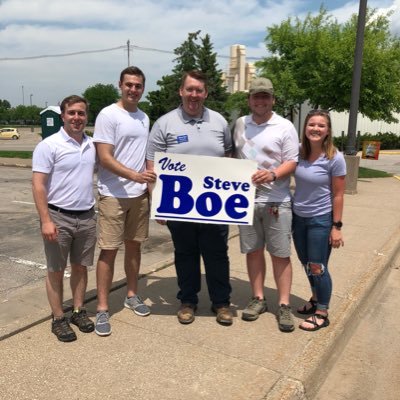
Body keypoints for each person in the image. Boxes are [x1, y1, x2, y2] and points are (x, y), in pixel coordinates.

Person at [146, 70, 233, 326]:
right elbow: (152, 165)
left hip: (213, 205)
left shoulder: (219, 122)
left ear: (206, 93)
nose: (194, 95)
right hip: (178, 205)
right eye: (189, 89)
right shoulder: (164, 123)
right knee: (185, 254)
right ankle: (187, 301)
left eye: (199, 90)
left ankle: (221, 303)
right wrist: (157, 204)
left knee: (217, 254)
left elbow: (228, 156)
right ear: (181, 91)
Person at [93, 66, 156, 336]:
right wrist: (134, 175)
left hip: (139, 196)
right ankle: (103, 308)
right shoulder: (108, 114)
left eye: (138, 85)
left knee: (135, 248)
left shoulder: (144, 117)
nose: (133, 89)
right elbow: (104, 157)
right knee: (108, 250)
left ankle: (132, 294)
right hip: (113, 195)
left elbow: (147, 155)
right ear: (120, 85)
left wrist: (150, 187)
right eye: (129, 84)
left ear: (143, 88)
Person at [232, 77, 299, 332]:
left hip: (276, 200)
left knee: (280, 254)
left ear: (272, 99)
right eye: (256, 96)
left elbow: (292, 161)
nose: (260, 100)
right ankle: (258, 298)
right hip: (244, 199)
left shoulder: (284, 126)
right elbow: (231, 155)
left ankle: (283, 305)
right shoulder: (240, 124)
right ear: (249, 99)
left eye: (265, 96)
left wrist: (272, 174)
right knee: (253, 251)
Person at [32, 95, 97, 342]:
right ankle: (58, 318)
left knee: (80, 268)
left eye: (81, 113)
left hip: (87, 217)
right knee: (56, 270)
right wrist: (46, 220)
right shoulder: (49, 146)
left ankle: (78, 311)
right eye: (72, 113)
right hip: (58, 217)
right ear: (63, 116)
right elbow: (38, 186)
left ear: (86, 117)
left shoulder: (92, 146)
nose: (77, 118)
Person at [292, 109, 346, 331]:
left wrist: (336, 226)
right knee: (307, 264)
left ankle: (322, 311)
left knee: (318, 266)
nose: (315, 129)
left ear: (328, 131)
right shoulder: (299, 153)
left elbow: (338, 195)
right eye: (311, 124)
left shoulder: (335, 158)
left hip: (320, 220)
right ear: (305, 128)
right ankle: (315, 297)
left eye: (320, 125)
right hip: (298, 218)